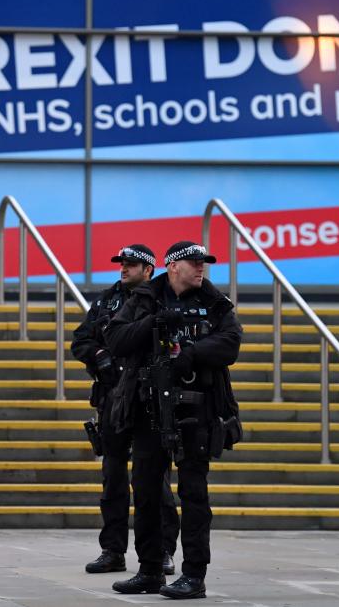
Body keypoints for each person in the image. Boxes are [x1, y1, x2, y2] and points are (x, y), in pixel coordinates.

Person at [104, 241, 242, 600]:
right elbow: (115, 338)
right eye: (194, 263)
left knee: (194, 493)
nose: (201, 269)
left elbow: (231, 343)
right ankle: (149, 569)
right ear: (173, 266)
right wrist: (153, 322)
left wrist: (192, 355)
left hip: (197, 409)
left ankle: (193, 574)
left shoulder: (215, 302)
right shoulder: (146, 298)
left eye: (204, 263)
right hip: (148, 408)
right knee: (147, 490)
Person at [71, 244, 179, 576]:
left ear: (149, 269)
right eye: (121, 263)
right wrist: (100, 358)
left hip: (147, 399)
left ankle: (162, 550)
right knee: (113, 477)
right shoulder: (105, 300)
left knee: (154, 478)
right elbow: (81, 341)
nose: (124, 268)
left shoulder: (160, 298)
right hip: (111, 399)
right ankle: (113, 550)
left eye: (132, 264)